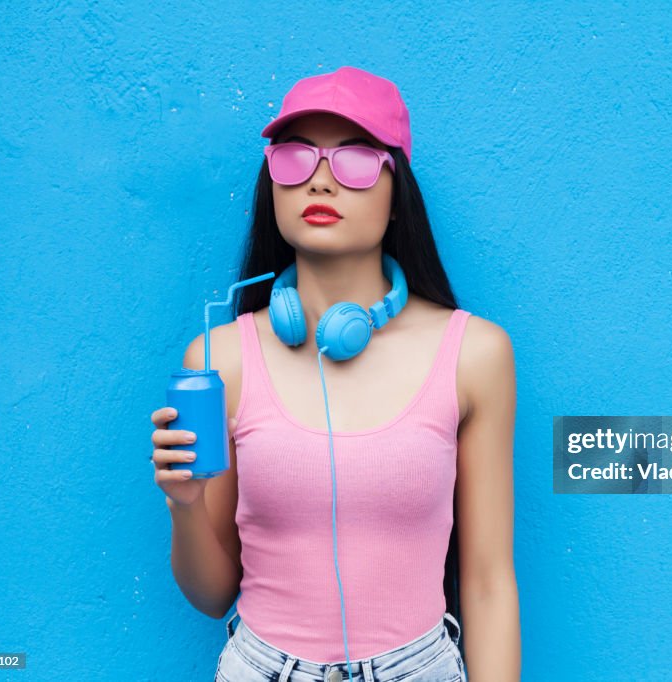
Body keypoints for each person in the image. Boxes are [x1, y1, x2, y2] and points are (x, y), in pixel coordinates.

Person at [149, 66, 521, 681]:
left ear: (397, 191)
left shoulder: (475, 354)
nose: (319, 181)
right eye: (294, 158)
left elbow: (487, 583)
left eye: (353, 160)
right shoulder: (220, 359)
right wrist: (184, 505)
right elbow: (212, 594)